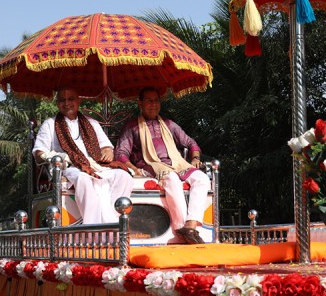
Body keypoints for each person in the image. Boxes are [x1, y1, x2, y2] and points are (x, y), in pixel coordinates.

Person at [115, 87, 209, 244]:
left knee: (202, 178)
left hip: (178, 164)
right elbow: (121, 153)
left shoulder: (169, 124)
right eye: (149, 101)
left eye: (156, 100)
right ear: (140, 103)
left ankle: (190, 226)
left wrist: (195, 159)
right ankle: (182, 232)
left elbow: (190, 142)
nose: (153, 104)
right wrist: (134, 168)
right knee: (171, 179)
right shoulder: (132, 127)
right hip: (151, 166)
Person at [33, 88, 133, 224]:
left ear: (78, 101)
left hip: (95, 165)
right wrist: (58, 156)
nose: (67, 103)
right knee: (84, 179)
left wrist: (108, 152)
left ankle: (113, 221)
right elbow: (39, 152)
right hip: (68, 167)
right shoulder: (50, 124)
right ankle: (92, 227)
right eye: (62, 100)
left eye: (71, 99)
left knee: (123, 177)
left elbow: (106, 146)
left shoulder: (90, 122)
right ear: (57, 103)